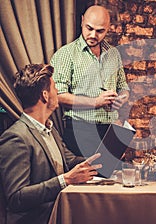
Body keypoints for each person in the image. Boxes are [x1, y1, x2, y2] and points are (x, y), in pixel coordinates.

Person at [0, 64, 102, 224]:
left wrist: (106, 157)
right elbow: (16, 197)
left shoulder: (49, 129)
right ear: (45, 95)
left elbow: (70, 161)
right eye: (55, 88)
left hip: (60, 214)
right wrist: (65, 180)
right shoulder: (15, 137)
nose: (58, 93)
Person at [50, 5, 130, 157]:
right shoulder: (66, 54)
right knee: (85, 179)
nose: (93, 35)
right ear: (82, 21)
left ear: (108, 28)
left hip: (110, 131)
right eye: (89, 28)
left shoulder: (113, 54)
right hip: (80, 130)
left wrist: (122, 98)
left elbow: (123, 87)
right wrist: (95, 102)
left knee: (112, 179)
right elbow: (59, 95)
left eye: (100, 31)